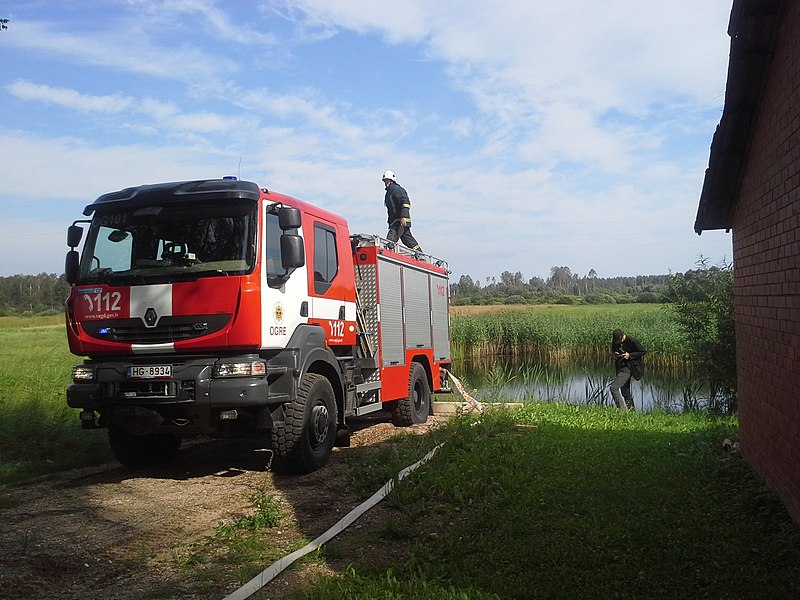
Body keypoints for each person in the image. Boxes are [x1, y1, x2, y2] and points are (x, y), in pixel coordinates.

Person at [382, 170, 422, 254]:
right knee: (407, 239)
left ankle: (386, 254)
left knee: (390, 240)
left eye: (387, 180)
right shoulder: (389, 193)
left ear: (392, 180)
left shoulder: (397, 190)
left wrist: (403, 216)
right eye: (385, 181)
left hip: (399, 221)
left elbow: (406, 203)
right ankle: (421, 255)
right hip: (396, 221)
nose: (386, 183)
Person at [609, 328, 646, 411]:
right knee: (625, 392)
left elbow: (643, 351)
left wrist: (630, 355)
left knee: (614, 388)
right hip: (620, 366)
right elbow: (613, 349)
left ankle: (622, 410)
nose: (618, 343)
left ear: (623, 336)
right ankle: (632, 411)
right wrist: (614, 354)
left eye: (620, 340)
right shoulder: (615, 341)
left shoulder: (632, 341)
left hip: (629, 367)